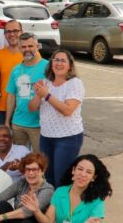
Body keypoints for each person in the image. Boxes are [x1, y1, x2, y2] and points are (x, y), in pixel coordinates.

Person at [29, 49, 85, 185]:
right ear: (51, 63)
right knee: (47, 178)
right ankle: (50, 205)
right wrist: (38, 94)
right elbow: (32, 108)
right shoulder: (45, 82)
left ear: (70, 65)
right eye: (56, 60)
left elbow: (67, 110)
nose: (58, 63)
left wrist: (47, 95)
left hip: (67, 138)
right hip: (46, 137)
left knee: (62, 178)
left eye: (62, 60)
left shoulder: (75, 83)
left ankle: (63, 206)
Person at [5, 32, 47, 150]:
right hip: (18, 123)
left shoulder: (48, 67)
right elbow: (11, 96)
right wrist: (7, 121)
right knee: (20, 162)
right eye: (23, 47)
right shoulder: (16, 70)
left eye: (30, 46)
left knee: (39, 161)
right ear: (19, 48)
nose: (27, 49)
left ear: (37, 46)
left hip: (39, 124)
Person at [0, 20, 23, 127]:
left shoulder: (31, 54)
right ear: (4, 35)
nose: (12, 34)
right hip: (1, 107)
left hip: (23, 108)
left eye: (15, 31)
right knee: (1, 142)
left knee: (21, 143)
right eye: (8, 32)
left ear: (21, 32)